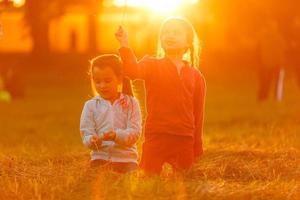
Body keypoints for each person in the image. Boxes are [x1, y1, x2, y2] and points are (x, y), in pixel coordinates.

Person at [115, 16, 206, 175]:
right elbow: (132, 70)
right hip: (157, 135)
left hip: (184, 138)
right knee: (148, 177)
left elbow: (198, 114)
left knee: (186, 179)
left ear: (188, 43)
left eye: (176, 33)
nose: (170, 36)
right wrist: (124, 44)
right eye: (166, 32)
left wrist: (196, 145)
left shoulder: (196, 76)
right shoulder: (151, 64)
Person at [80, 54, 142, 173]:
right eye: (97, 81)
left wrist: (116, 136)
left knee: (129, 180)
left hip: (127, 160)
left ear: (119, 79)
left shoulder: (131, 103)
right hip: (100, 158)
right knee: (96, 178)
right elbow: (86, 133)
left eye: (107, 81)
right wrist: (92, 140)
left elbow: (135, 133)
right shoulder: (90, 105)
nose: (102, 86)